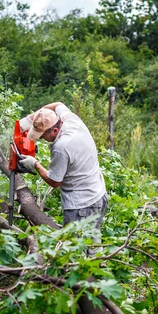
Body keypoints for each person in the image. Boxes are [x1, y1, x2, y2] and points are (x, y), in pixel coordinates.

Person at [17, 102, 108, 254]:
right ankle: (97, 271)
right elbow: (57, 104)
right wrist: (30, 119)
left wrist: (35, 164)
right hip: (98, 194)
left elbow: (54, 181)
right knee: (92, 245)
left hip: (81, 206)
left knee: (73, 252)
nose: (42, 139)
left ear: (54, 130)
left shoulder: (61, 147)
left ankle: (84, 277)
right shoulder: (71, 119)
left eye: (43, 135)